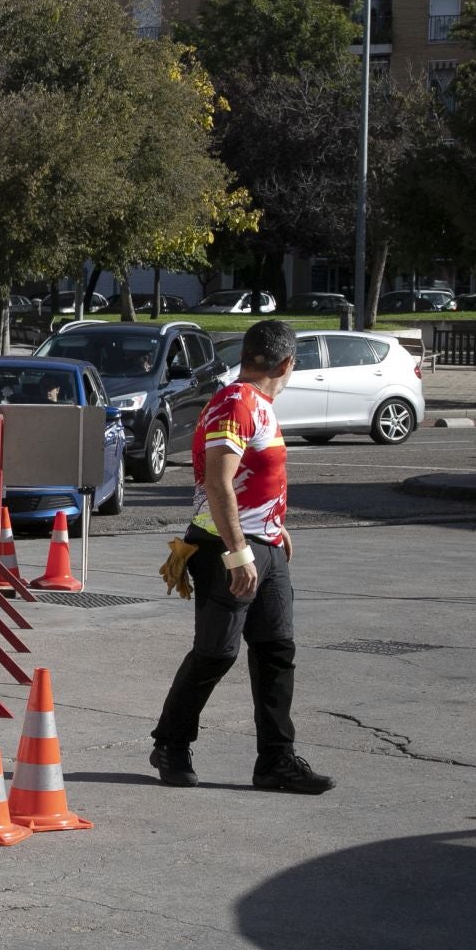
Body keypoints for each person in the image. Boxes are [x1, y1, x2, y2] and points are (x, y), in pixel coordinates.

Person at [149, 319, 334, 794]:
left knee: (276, 652)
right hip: (224, 550)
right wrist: (238, 552)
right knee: (217, 652)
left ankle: (276, 762)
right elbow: (218, 482)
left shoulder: (260, 405)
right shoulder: (237, 403)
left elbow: (253, 478)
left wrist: (273, 523)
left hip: (264, 545)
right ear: (288, 363)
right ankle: (170, 743)